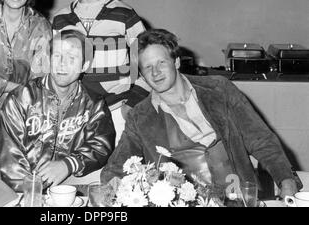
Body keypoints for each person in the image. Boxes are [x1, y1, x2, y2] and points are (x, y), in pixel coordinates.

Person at [101, 29, 300, 198]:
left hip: (241, 199)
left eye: (161, 63)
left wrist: (286, 180)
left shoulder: (220, 89)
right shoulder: (140, 117)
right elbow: (115, 170)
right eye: (147, 67)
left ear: (176, 62)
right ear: (142, 75)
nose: (155, 73)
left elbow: (260, 138)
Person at [51, 0, 149, 142]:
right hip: (75, 115)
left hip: (117, 109)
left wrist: (132, 102)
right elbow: (55, 71)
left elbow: (149, 62)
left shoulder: (125, 14)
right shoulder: (61, 19)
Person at [0, 30, 116, 188]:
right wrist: (33, 192)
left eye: (72, 58)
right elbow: (10, 158)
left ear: (85, 65)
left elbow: (101, 145)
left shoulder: (94, 103)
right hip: (25, 186)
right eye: (57, 56)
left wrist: (69, 164)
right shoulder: (20, 98)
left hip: (72, 183)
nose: (62, 63)